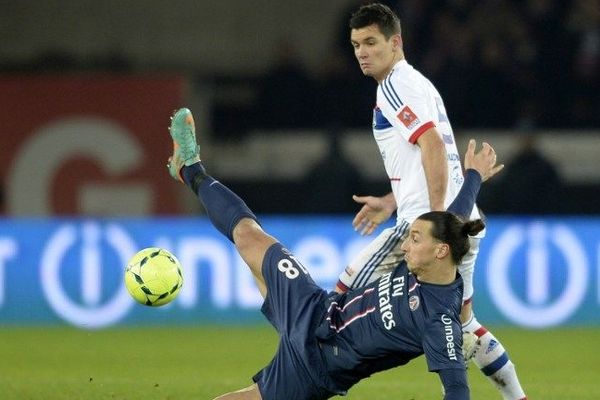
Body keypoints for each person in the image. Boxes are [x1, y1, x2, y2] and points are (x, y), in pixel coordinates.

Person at [166, 107, 502, 400]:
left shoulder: (439, 317)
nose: (404, 245)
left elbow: (457, 389)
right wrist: (474, 175)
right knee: (249, 236)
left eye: (414, 239)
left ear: (440, 252)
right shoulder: (441, 246)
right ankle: (189, 169)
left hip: (314, 367)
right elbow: (454, 219)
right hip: (315, 307)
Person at [338, 4, 527, 400]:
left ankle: (294, 381)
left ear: (396, 42)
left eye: (371, 42)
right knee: (463, 322)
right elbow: (423, 157)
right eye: (356, 44)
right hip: (466, 220)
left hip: (429, 225)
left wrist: (435, 218)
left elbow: (431, 145)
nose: (362, 52)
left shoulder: (394, 85)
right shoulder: (417, 83)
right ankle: (518, 397)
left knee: (339, 296)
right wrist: (392, 200)